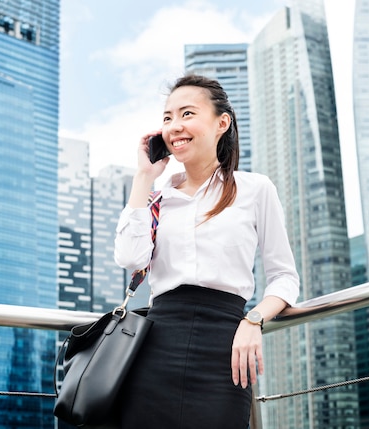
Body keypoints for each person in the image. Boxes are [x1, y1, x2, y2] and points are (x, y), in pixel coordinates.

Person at [114, 74, 300, 428]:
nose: (174, 126)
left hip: (226, 350)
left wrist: (254, 319)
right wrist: (143, 177)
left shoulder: (255, 189)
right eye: (167, 118)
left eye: (187, 114)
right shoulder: (157, 199)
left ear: (221, 123)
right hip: (154, 349)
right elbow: (129, 258)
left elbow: (284, 277)